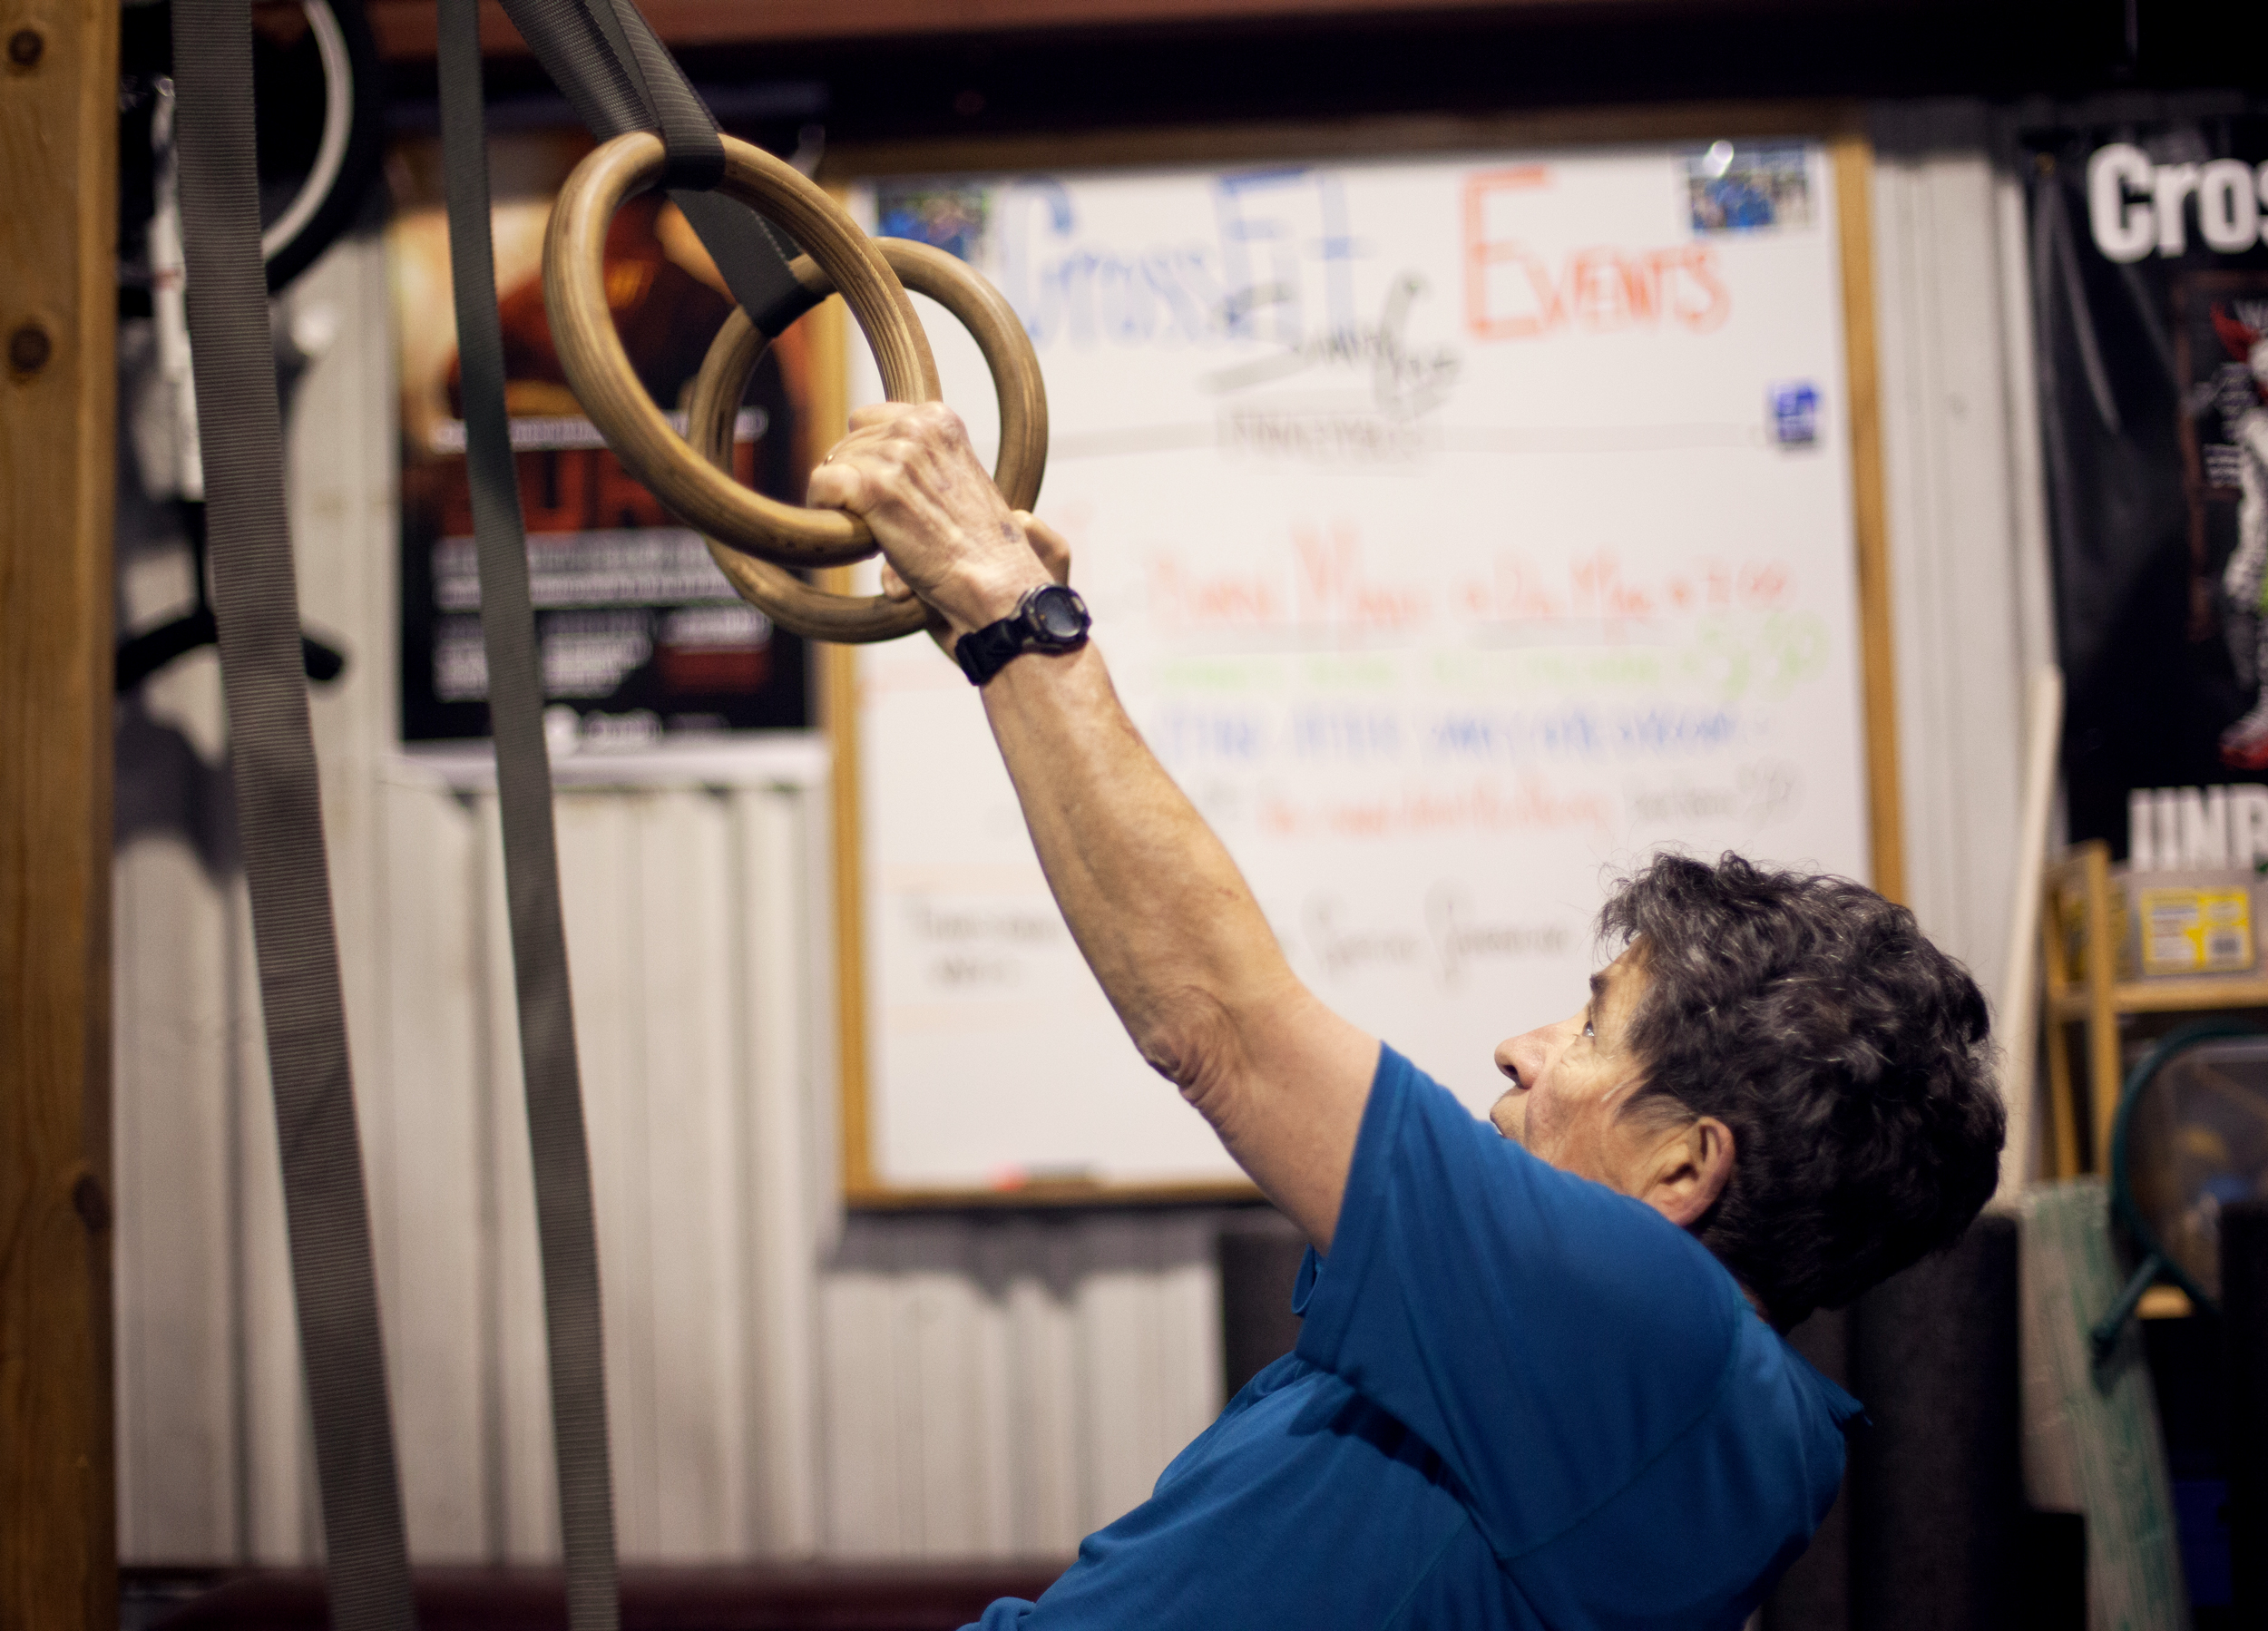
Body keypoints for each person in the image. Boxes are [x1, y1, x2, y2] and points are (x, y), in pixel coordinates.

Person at [808, 404, 2006, 1631]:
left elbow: (1218, 1024)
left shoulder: (1657, 1355)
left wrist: (1012, 605)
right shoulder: (1556, 1365)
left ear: (1684, 1167)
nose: (1520, 1049)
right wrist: (1006, 653)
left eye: (1591, 1031)